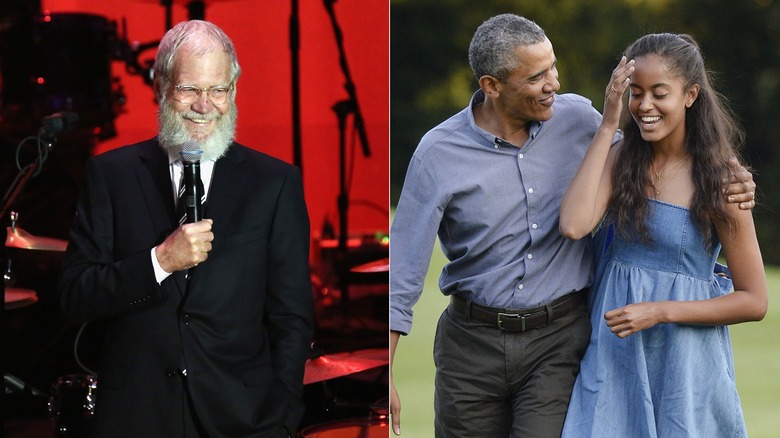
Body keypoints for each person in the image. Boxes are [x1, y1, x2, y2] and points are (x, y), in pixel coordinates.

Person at [389, 14, 757, 438]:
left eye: (553, 67)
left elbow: (664, 165)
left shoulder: (578, 119)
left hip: (559, 340)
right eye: (537, 76)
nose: (554, 84)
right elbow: (404, 270)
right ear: (491, 85)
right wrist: (386, 369)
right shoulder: (438, 152)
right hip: (473, 342)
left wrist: (730, 174)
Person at [56, 20, 313, 437]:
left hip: (242, 419)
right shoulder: (111, 175)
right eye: (189, 89)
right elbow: (74, 296)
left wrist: (281, 417)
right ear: (161, 87)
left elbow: (291, 316)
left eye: (218, 90)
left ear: (233, 92)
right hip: (136, 418)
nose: (204, 105)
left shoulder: (274, 183)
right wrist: (159, 261)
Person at [559, 33, 768, 437]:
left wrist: (659, 310)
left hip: (684, 366)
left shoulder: (722, 181)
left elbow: (754, 300)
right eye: (636, 93)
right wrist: (607, 125)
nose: (644, 106)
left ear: (690, 95)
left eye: (659, 93)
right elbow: (574, 223)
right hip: (613, 356)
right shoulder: (621, 157)